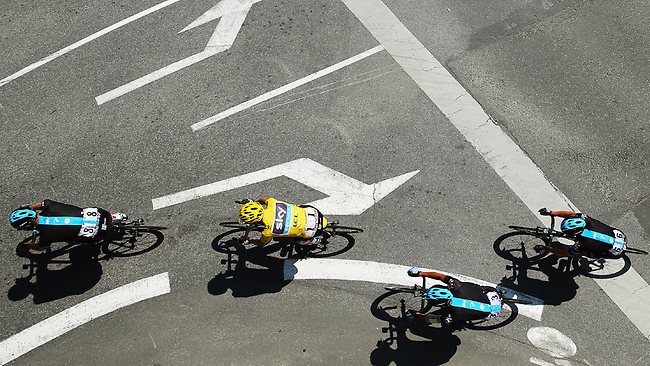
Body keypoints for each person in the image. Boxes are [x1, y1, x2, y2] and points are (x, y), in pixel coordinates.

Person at [9, 199, 128, 251]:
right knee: (82, 213)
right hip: (102, 214)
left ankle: (93, 241)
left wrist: (28, 246)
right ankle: (115, 216)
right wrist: (29, 207)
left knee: (74, 242)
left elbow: (41, 247)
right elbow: (42, 203)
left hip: (99, 234)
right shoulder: (49, 206)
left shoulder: (46, 236)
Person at [405, 267, 502, 326]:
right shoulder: (455, 285)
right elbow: (439, 276)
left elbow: (430, 318)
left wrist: (416, 315)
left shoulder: (455, 314)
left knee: (449, 323)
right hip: (489, 295)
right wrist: (419, 273)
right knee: (477, 289)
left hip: (492, 310)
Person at [537, 207, 626, 257]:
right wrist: (552, 212)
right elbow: (571, 214)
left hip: (614, 252)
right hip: (619, 234)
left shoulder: (584, 244)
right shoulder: (588, 221)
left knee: (583, 253)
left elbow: (565, 253)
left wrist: (547, 249)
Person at [238, 198, 327, 247]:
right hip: (312, 212)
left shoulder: (268, 232)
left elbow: (262, 243)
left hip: (311, 229)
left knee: (300, 241)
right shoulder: (272, 203)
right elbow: (264, 200)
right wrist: (254, 202)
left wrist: (250, 240)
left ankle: (314, 241)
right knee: (298, 207)